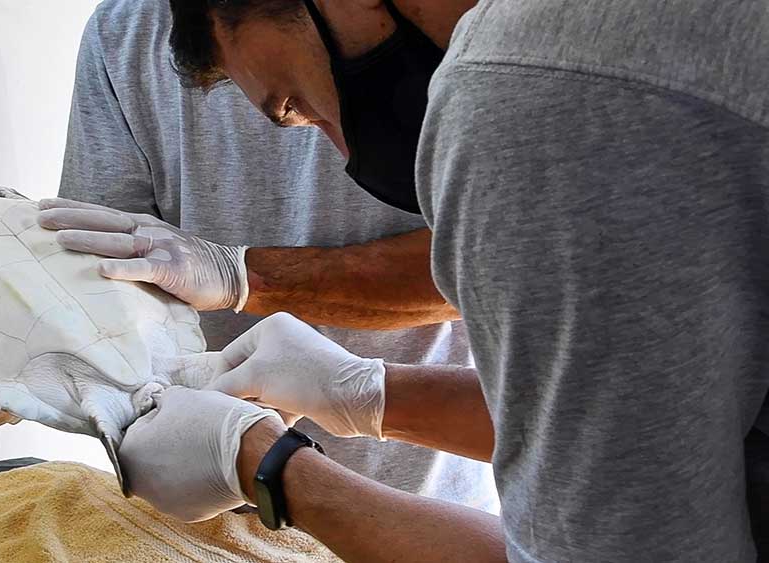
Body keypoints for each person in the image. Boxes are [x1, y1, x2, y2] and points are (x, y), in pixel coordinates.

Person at [70, 0, 768, 561]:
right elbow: (649, 408)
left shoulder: (525, 91)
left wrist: (272, 467)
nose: (346, 152)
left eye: (298, 104)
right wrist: (370, 392)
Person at [0, 0, 498, 516]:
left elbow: (503, 263)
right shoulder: (121, 35)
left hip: (436, 492)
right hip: (197, 491)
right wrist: (13, 386)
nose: (346, 152)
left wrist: (245, 277)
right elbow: (90, 300)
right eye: (288, 109)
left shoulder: (487, 35)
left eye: (291, 103)